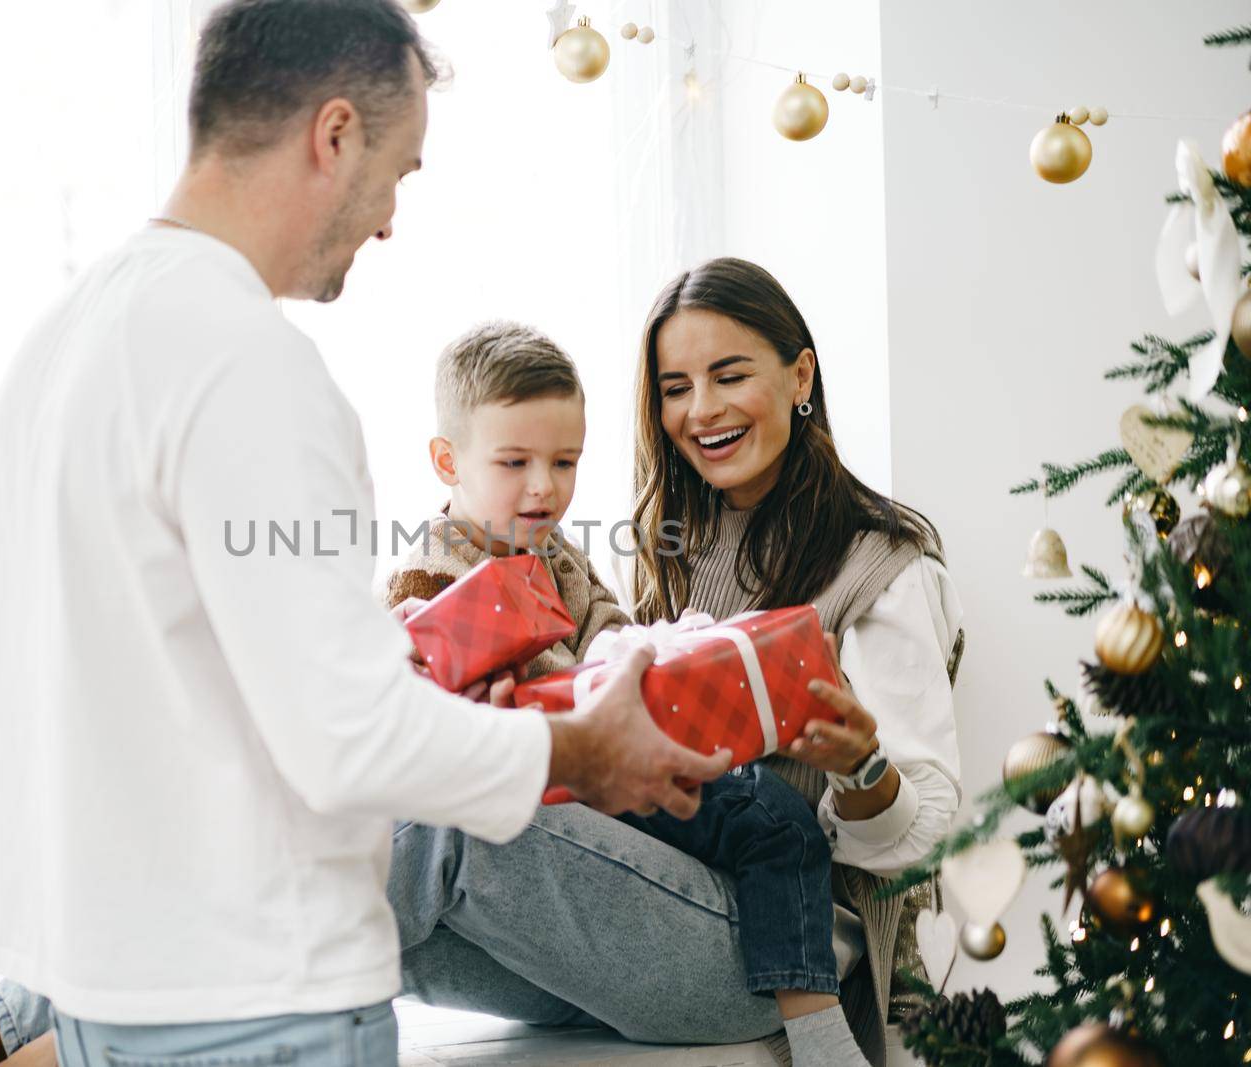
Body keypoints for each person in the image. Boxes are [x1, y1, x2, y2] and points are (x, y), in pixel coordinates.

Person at [0, 3, 731, 1066]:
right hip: (259, 1000)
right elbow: (347, 737)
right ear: (333, 135)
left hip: (113, 985)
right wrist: (580, 748)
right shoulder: (246, 361)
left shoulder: (62, 343)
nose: (387, 220)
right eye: (400, 173)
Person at [385, 259, 962, 1065]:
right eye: (675, 386)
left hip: (772, 941)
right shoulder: (671, 544)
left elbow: (926, 832)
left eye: (728, 375)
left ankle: (235, 959)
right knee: (395, 927)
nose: (702, 410)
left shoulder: (882, 566)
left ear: (801, 376)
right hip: (657, 892)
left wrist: (861, 765)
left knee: (454, 819)